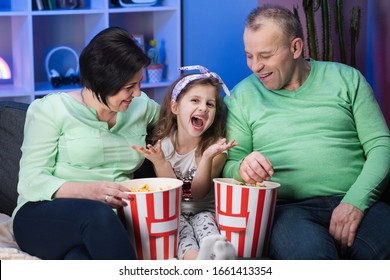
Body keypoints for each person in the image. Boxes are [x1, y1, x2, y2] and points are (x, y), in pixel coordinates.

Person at [223, 4, 390, 259]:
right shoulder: (240, 97)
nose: (255, 66)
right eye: (249, 55)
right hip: (288, 210)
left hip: (356, 198)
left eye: (265, 55)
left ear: (296, 47)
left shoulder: (347, 79)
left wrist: (354, 202)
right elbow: (231, 164)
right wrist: (243, 168)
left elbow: (381, 146)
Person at [12, 27, 160, 260]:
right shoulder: (52, 109)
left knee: (79, 259)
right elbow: (31, 181)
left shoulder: (141, 108)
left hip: (105, 226)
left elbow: (177, 119)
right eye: (129, 87)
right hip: (42, 214)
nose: (138, 94)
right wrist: (90, 191)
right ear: (102, 82)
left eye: (139, 84)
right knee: (97, 214)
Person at [132, 65, 237, 260]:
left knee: (206, 224)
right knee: (180, 232)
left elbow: (197, 193)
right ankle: (196, 259)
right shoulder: (163, 144)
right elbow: (174, 192)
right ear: (175, 107)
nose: (203, 107)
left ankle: (218, 253)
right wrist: (160, 161)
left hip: (204, 209)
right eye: (195, 100)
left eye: (210, 104)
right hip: (175, 211)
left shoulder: (216, 149)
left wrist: (206, 158)